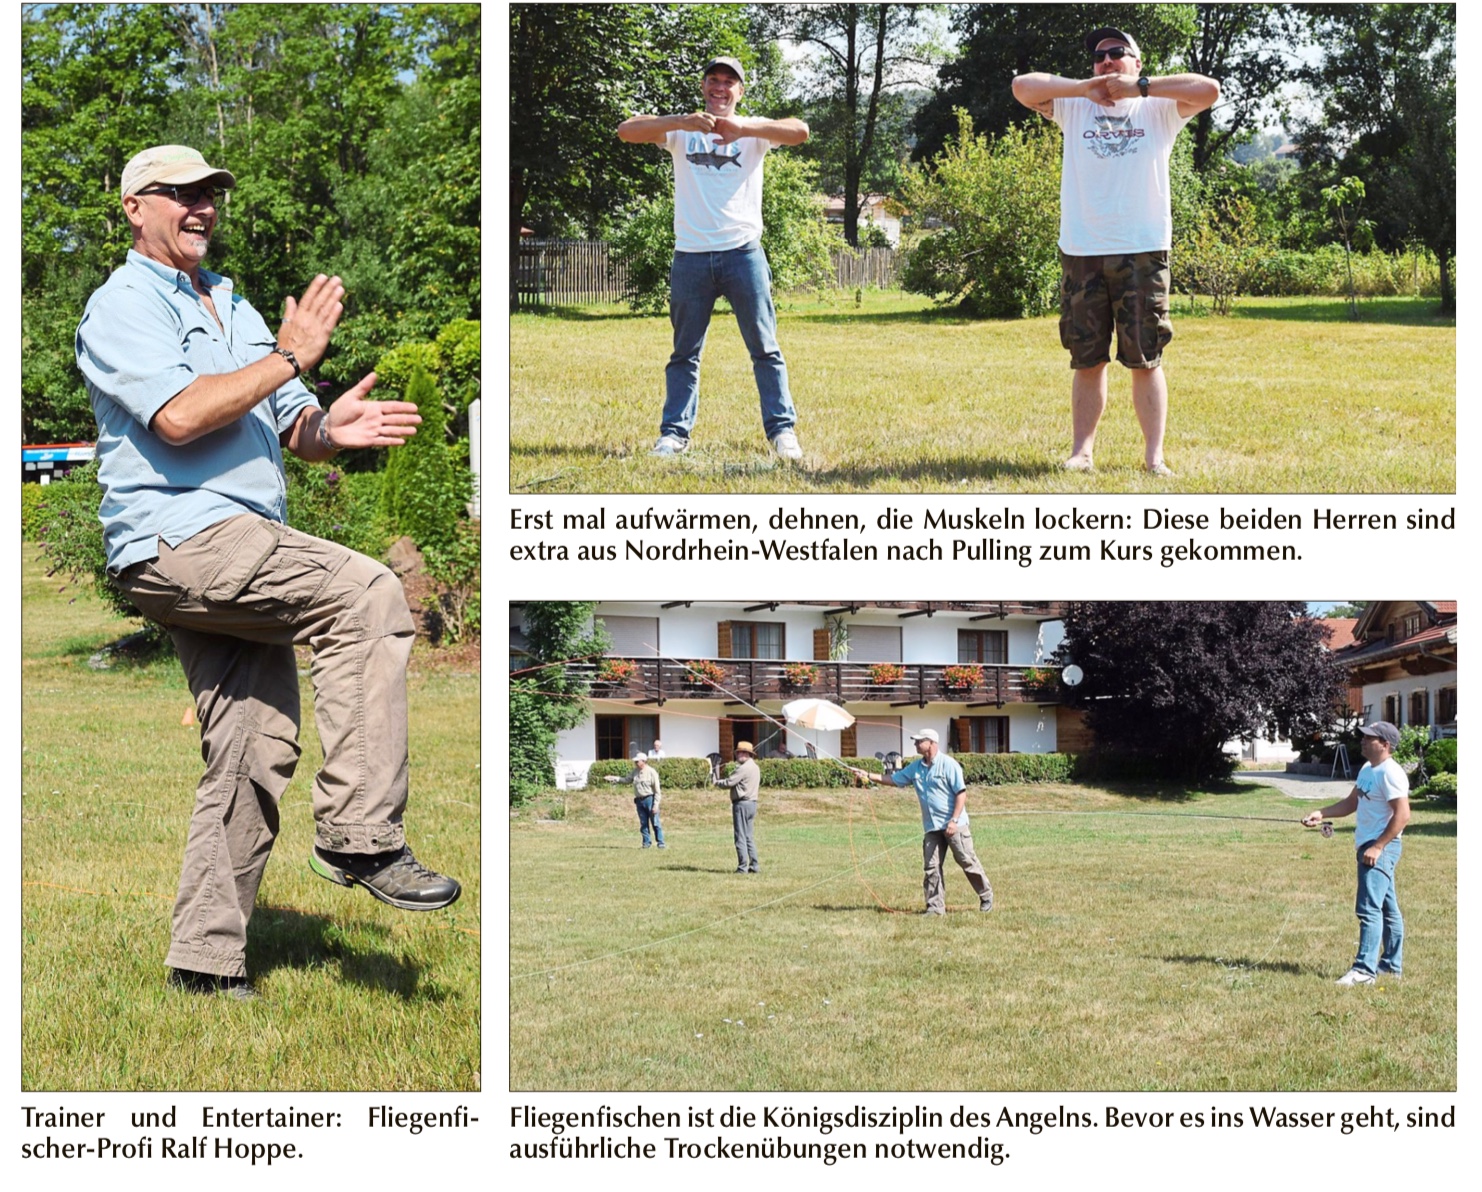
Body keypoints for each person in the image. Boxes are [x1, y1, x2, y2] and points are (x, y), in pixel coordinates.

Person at [75, 145, 461, 1001]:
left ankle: (204, 966)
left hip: (234, 539)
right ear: (135, 206)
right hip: (182, 538)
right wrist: (290, 357)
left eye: (211, 192)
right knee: (367, 591)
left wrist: (330, 429)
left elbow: (288, 417)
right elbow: (177, 418)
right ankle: (360, 836)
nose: (202, 206)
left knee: (253, 747)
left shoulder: (231, 300)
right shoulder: (122, 305)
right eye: (181, 193)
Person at [1012, 27, 1219, 476]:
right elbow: (1022, 87)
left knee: (1145, 358)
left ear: (1138, 62)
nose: (1105, 61)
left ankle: (1153, 459)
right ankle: (1081, 454)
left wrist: (1139, 88)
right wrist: (1084, 88)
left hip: (1143, 250)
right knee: (1087, 359)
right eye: (1099, 57)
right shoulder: (1073, 105)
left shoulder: (1160, 108)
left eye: (1116, 54)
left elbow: (1209, 90)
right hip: (1083, 248)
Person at [616, 56, 809, 462]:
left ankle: (782, 432)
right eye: (714, 81)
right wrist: (682, 122)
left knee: (765, 348)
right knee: (684, 353)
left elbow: (800, 131)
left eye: (729, 82)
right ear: (704, 87)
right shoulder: (682, 131)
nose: (720, 88)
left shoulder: (755, 131)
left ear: (740, 91)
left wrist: (744, 128)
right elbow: (626, 131)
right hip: (690, 256)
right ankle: (673, 435)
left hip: (743, 254)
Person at [1302, 722, 1411, 985]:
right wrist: (1322, 813)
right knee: (1387, 908)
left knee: (1368, 909)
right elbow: (1352, 803)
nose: (1362, 741)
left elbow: (1403, 815)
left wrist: (1378, 846)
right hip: (1369, 845)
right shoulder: (1367, 769)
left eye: (1369, 738)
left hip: (1380, 847)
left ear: (1384, 744)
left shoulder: (1390, 773)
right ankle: (1391, 967)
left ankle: (1363, 971)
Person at [851, 729, 993, 915]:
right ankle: (935, 908)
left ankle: (986, 896)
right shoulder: (916, 767)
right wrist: (868, 775)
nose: (916, 745)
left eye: (919, 741)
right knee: (931, 867)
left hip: (954, 825)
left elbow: (961, 793)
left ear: (931, 743)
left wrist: (954, 820)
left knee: (967, 861)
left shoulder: (949, 765)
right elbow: (893, 780)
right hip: (932, 827)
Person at [716, 740, 762, 873]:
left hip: (742, 804)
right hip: (752, 804)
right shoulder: (755, 767)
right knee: (749, 837)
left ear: (747, 754)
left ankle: (742, 867)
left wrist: (717, 782)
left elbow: (729, 782)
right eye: (737, 752)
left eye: (740, 752)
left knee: (740, 837)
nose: (737, 755)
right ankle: (754, 866)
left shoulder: (744, 768)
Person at [628, 752, 665, 849]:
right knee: (643, 823)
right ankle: (646, 843)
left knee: (655, 822)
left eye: (637, 761)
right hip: (639, 801)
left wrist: (656, 805)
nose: (635, 763)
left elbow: (657, 790)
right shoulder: (635, 771)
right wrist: (615, 779)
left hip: (650, 799)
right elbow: (627, 779)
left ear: (643, 761)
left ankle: (661, 843)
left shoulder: (652, 772)